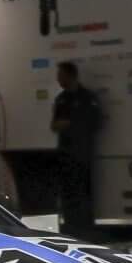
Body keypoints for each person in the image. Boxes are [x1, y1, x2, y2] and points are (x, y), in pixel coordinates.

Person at [47, 64, 105, 239]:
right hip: (64, 154)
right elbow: (54, 125)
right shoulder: (61, 99)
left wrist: (71, 124)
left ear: (71, 76)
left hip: (82, 154)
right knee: (67, 193)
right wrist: (65, 124)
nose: (58, 79)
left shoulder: (87, 98)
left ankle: (86, 229)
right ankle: (70, 228)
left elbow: (95, 124)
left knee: (84, 193)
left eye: (61, 75)